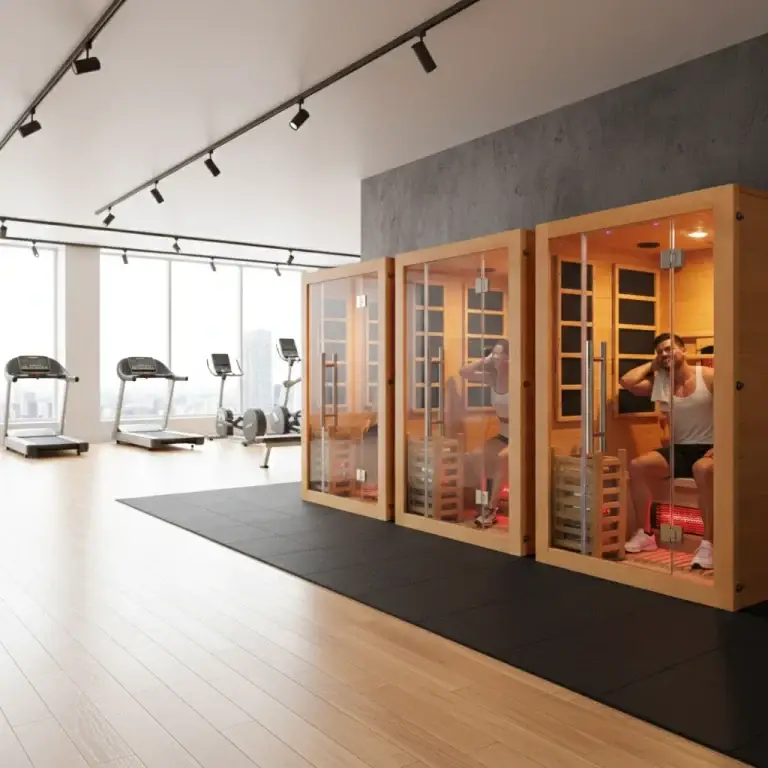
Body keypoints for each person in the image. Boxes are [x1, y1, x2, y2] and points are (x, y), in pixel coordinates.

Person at [619, 333, 714, 570]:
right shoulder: (661, 382)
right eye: (660, 351)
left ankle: (709, 543)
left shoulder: (708, 376)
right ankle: (646, 534)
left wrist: (721, 447)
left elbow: (735, 410)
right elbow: (627, 382)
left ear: (683, 350)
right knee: (638, 466)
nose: (664, 354)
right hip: (680, 448)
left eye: (669, 349)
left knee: (701, 469)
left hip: (712, 447)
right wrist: (654, 364)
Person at [460, 341, 510, 527]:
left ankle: (491, 509)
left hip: (520, 433)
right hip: (503, 434)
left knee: (502, 457)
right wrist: (486, 359)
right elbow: (464, 372)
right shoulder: (492, 378)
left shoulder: (518, 378)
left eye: (500, 354)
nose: (496, 357)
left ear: (509, 358)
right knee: (475, 455)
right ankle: (484, 498)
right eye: (494, 354)